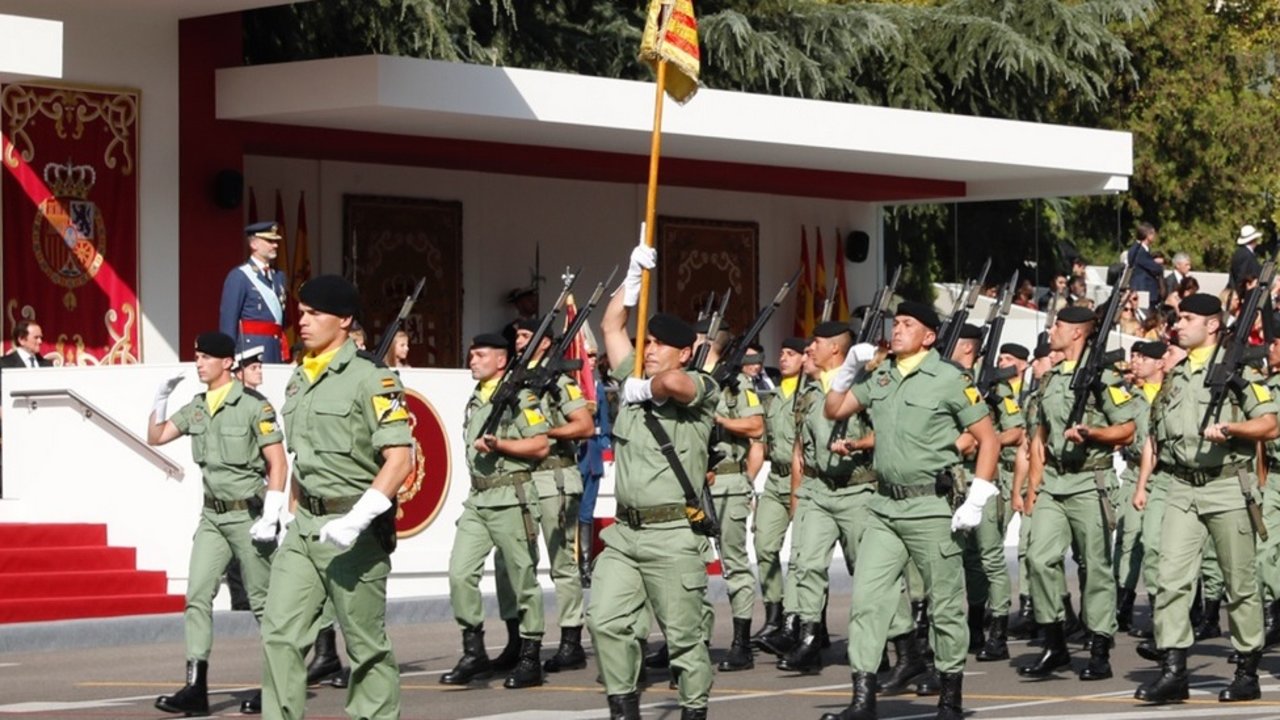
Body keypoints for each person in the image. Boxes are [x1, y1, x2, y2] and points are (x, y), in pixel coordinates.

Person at [822, 300, 1002, 720]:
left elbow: (988, 439)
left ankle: (950, 699)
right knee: (867, 601)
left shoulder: (949, 379)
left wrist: (977, 498)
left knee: (945, 605)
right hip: (885, 507)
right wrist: (848, 368)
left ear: (928, 336)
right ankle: (862, 701)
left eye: (907, 324)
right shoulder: (881, 375)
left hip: (931, 506)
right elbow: (834, 409)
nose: (897, 329)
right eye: (896, 322)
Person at [260, 275, 412, 720]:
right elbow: (302, 457)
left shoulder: (373, 379)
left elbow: (400, 460)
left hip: (353, 529)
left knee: (365, 647)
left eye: (314, 314)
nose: (303, 322)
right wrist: (288, 514)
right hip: (306, 527)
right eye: (301, 313)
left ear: (344, 320)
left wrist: (357, 519)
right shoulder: (299, 378)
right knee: (279, 636)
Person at [587, 241, 719, 720]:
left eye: (661, 345)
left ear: (685, 351)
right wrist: (630, 281)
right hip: (625, 534)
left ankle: (693, 710)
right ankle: (624, 709)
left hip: (673, 534)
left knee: (685, 640)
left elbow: (675, 385)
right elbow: (610, 327)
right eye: (648, 342)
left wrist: (646, 387)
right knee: (604, 620)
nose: (650, 350)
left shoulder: (701, 386)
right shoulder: (632, 375)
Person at [1133, 293, 1277, 704]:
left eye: (1187, 318)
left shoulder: (1237, 372)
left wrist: (1232, 429)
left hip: (1226, 485)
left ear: (1212, 325)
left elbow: (1270, 424)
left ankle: (1247, 671)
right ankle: (1174, 671)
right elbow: (1158, 432)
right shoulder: (1176, 374)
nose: (1178, 324)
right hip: (1181, 487)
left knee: (1240, 583)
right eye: (1178, 317)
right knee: (1170, 579)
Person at [147, 332, 286, 716]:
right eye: (197, 356)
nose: (199, 363)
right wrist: (160, 399)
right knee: (197, 594)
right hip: (212, 517)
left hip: (248, 515)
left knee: (263, 603)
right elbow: (156, 436)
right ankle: (196, 687)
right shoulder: (197, 407)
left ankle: (277, 685)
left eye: (206, 357)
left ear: (227, 363)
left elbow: (277, 462)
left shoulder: (253, 406)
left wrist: (272, 512)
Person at [1020, 306, 1139, 681]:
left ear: (1076, 333)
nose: (1051, 330)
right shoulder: (1051, 378)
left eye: (1058, 325)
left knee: (1095, 565)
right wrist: (1033, 489)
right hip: (1054, 481)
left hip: (1090, 481)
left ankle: (1100, 649)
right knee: (1038, 558)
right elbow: (1039, 438)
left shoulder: (1104, 376)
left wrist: (1093, 433)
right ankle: (1055, 643)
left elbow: (1127, 429)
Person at [440, 331, 550, 689]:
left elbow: (540, 445)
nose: (472, 360)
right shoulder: (477, 397)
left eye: (481, 355)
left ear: (501, 360)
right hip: (478, 499)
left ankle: (530, 656)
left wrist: (500, 444)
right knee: (460, 573)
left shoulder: (521, 398)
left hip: (510, 497)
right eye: (472, 354)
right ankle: (474, 652)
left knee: (522, 578)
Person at [492, 317, 595, 676]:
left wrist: (544, 432)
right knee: (510, 560)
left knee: (561, 560)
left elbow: (585, 426)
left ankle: (571, 640)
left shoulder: (559, 382)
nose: (519, 341)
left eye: (526, 335)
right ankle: (518, 640)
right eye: (517, 336)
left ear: (546, 342)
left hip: (554, 475)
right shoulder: (512, 381)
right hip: (519, 479)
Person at [954, 328, 1025, 663]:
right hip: (954, 479)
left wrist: (986, 440)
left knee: (990, 557)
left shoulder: (995, 386)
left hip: (983, 479)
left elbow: (1016, 430)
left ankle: (998, 632)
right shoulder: (947, 381)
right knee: (969, 560)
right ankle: (974, 624)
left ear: (967, 348)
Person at [698, 319, 765, 672]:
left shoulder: (736, 384)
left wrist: (720, 420)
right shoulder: (689, 379)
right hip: (693, 486)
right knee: (689, 564)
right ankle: (693, 640)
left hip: (726, 483)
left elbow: (756, 426)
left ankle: (741, 643)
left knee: (734, 563)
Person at [750, 337, 806, 652]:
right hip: (776, 480)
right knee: (764, 545)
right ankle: (774, 615)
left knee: (803, 555)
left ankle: (806, 621)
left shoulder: (811, 394)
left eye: (791, 354)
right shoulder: (771, 398)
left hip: (806, 480)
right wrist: (747, 482)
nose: (783, 358)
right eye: (782, 353)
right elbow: (760, 445)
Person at [220, 221, 290, 363]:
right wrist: (228, 355)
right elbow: (229, 321)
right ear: (254, 244)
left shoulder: (279, 276)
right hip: (251, 351)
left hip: (275, 349)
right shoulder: (239, 276)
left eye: (275, 241)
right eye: (269, 241)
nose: (275, 245)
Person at [1128, 223, 1164, 308]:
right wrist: (1157, 264)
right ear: (1148, 235)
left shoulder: (1139, 249)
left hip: (1144, 289)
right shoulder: (1140, 251)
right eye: (1153, 234)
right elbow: (1155, 268)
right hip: (1143, 289)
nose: (1155, 236)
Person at [1229, 224, 1264, 292]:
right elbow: (1242, 276)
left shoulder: (1238, 252)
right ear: (1254, 239)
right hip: (1246, 293)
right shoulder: (1247, 255)